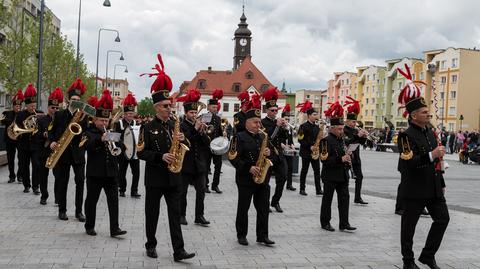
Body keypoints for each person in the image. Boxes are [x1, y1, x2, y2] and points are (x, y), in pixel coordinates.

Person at [137, 54, 195, 261]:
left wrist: (183, 140)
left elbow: (186, 145)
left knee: (174, 215)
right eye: (164, 106)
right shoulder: (147, 127)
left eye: (170, 105)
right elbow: (140, 152)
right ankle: (150, 244)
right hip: (155, 179)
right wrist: (160, 156)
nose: (168, 109)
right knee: (151, 214)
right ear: (155, 107)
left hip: (174, 178)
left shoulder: (174, 125)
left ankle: (179, 250)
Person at [396, 64, 449, 269]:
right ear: (414, 115)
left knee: (443, 219)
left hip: (434, 186)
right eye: (424, 112)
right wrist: (431, 154)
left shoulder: (430, 132)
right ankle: (408, 261)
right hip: (414, 187)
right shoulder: (406, 136)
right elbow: (408, 164)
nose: (429, 115)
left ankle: (428, 255)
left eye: (428, 111)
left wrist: (441, 180)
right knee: (409, 227)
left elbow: (437, 162)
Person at [229, 93, 274, 246]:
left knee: (263, 208)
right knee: (243, 208)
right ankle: (241, 235)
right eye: (255, 122)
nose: (258, 125)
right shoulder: (238, 137)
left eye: (259, 122)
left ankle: (263, 235)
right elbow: (233, 157)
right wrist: (248, 168)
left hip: (263, 178)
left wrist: (270, 153)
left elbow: (275, 156)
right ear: (247, 122)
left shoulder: (263, 137)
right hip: (245, 179)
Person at [84, 90, 127, 237]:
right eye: (101, 121)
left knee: (114, 201)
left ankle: (114, 228)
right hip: (95, 173)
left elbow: (121, 147)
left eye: (106, 121)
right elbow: (87, 146)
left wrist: (118, 144)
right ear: (95, 120)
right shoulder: (89, 132)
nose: (104, 123)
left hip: (111, 172)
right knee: (91, 200)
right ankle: (89, 226)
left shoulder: (112, 131)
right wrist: (100, 139)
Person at [49, 78, 89, 222]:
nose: (75, 101)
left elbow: (86, 133)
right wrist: (52, 141)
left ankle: (79, 212)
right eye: (73, 99)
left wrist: (84, 142)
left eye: (78, 99)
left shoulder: (83, 116)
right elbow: (51, 131)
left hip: (78, 154)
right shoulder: (59, 115)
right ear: (68, 99)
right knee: (62, 182)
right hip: (63, 153)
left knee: (80, 181)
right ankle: (62, 210)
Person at [320, 101, 356, 232]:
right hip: (330, 175)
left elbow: (344, 155)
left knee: (344, 199)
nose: (342, 131)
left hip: (342, 174)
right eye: (339, 129)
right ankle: (325, 222)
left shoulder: (342, 140)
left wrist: (348, 156)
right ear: (332, 128)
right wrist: (340, 159)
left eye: (342, 128)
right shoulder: (325, 141)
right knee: (327, 200)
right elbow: (324, 160)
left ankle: (344, 223)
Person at [177, 89, 211, 226]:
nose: (194, 115)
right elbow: (187, 141)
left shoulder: (200, 125)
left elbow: (207, 143)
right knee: (182, 192)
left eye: (195, 112)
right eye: (191, 112)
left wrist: (202, 132)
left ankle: (199, 215)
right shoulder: (181, 126)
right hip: (186, 164)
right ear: (186, 113)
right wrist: (196, 129)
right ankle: (181, 215)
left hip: (200, 164)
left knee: (201, 191)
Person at [32, 87, 63, 205]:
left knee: (58, 176)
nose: (54, 110)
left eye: (57, 108)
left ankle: (58, 198)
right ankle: (44, 196)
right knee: (43, 175)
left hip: (56, 151)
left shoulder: (61, 120)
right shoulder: (41, 120)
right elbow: (36, 136)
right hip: (43, 151)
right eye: (52, 107)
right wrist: (44, 136)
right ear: (48, 108)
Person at [261, 87, 288, 213]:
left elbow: (283, 138)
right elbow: (269, 138)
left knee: (282, 178)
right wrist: (277, 126)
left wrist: (285, 128)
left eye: (276, 110)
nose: (275, 112)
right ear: (267, 110)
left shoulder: (279, 122)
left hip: (279, 155)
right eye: (272, 110)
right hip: (269, 155)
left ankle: (275, 201)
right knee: (265, 182)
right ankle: (265, 203)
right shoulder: (263, 123)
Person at [114, 93, 141, 198]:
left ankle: (134, 190)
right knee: (122, 172)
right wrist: (122, 145)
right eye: (128, 113)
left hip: (134, 152)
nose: (130, 115)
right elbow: (116, 138)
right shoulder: (119, 123)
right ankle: (122, 189)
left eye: (131, 113)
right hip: (123, 152)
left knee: (136, 173)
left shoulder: (136, 123)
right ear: (124, 114)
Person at [15, 84, 41, 194]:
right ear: (27, 105)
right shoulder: (20, 115)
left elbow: (41, 128)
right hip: (23, 144)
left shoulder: (39, 114)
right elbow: (17, 128)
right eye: (31, 106)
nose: (33, 108)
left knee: (36, 165)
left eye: (34, 106)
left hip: (35, 145)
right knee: (24, 165)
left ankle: (36, 186)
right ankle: (26, 185)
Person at [343, 96, 368, 205]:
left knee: (360, 177)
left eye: (355, 122)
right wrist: (358, 135)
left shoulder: (355, 130)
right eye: (353, 122)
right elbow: (347, 142)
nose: (355, 124)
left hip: (356, 157)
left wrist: (364, 136)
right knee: (346, 178)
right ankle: (344, 196)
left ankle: (358, 197)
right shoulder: (343, 130)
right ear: (347, 121)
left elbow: (361, 143)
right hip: (347, 156)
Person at [297, 100, 322, 196]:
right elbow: (300, 140)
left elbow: (318, 139)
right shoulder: (303, 126)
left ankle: (318, 190)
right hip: (306, 152)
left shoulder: (317, 127)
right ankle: (302, 189)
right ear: (309, 115)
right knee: (304, 171)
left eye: (316, 114)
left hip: (315, 152)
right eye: (314, 114)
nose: (316, 116)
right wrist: (309, 146)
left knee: (317, 171)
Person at [1, 90, 23, 183]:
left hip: (19, 139)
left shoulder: (22, 114)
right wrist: (11, 121)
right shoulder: (7, 113)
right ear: (13, 106)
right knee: (10, 159)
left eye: (19, 106)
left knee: (21, 158)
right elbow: (3, 121)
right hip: (10, 139)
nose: (17, 108)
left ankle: (19, 176)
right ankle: (11, 176)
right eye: (16, 106)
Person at [205, 89, 224, 194]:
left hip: (216, 145)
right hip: (207, 146)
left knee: (218, 166)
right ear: (208, 107)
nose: (215, 109)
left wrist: (223, 138)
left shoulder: (218, 118)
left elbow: (219, 131)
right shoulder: (204, 117)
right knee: (206, 166)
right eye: (213, 107)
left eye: (216, 107)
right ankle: (205, 185)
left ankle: (215, 185)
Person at [281, 104, 296, 191]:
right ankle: (281, 183)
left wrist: (292, 145)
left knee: (290, 167)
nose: (287, 121)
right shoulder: (280, 127)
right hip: (282, 149)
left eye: (288, 119)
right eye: (286, 119)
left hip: (288, 149)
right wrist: (282, 145)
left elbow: (290, 139)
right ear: (282, 118)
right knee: (284, 168)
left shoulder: (289, 128)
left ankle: (289, 184)